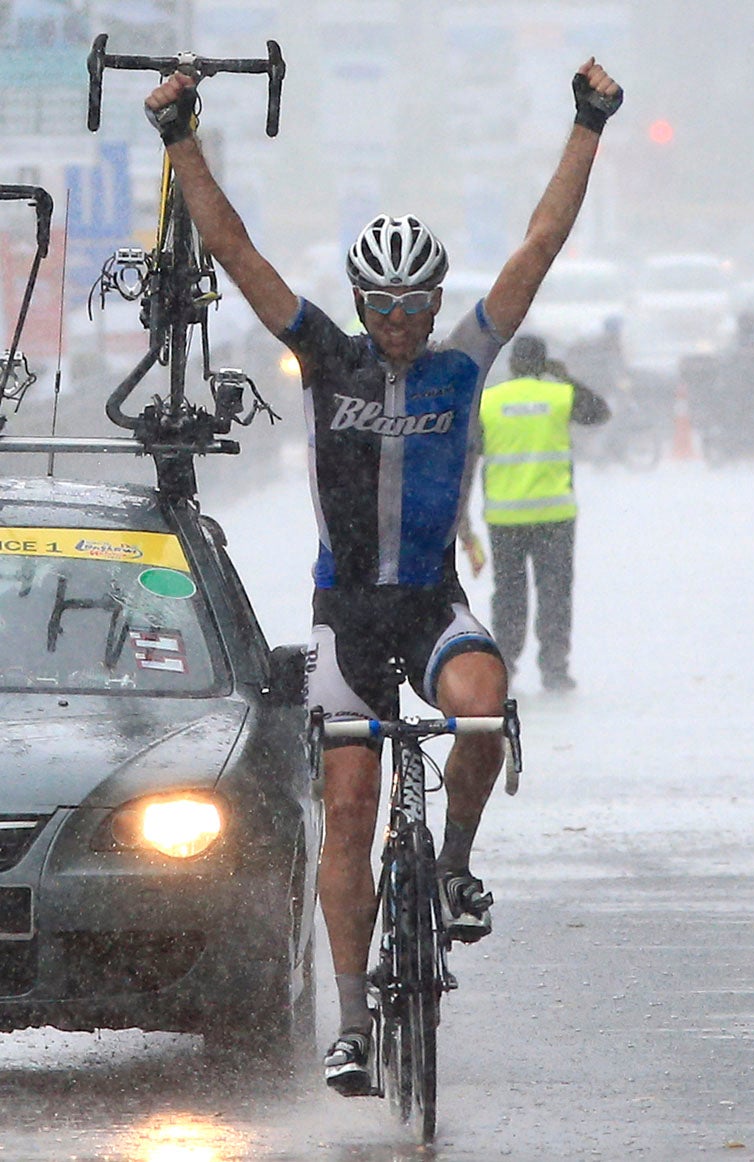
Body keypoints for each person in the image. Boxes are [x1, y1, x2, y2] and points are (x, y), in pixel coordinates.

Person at [144, 56, 622, 1095]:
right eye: (384, 304)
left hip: (432, 601)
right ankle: (353, 1022)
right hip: (347, 618)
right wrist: (181, 137)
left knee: (484, 705)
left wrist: (588, 121)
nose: (401, 321)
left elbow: (539, 246)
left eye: (415, 304)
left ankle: (452, 866)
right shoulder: (327, 358)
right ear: (361, 303)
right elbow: (237, 252)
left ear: (435, 302)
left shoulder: (463, 362)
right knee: (352, 811)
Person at [460, 335, 610, 692]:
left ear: (512, 364)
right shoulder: (559, 396)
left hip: (505, 520)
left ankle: (506, 666)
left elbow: (467, 461)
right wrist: (565, 377)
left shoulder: (489, 401)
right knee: (555, 593)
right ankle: (555, 669)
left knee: (509, 595)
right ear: (544, 364)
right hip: (554, 517)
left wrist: (463, 523)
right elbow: (600, 413)